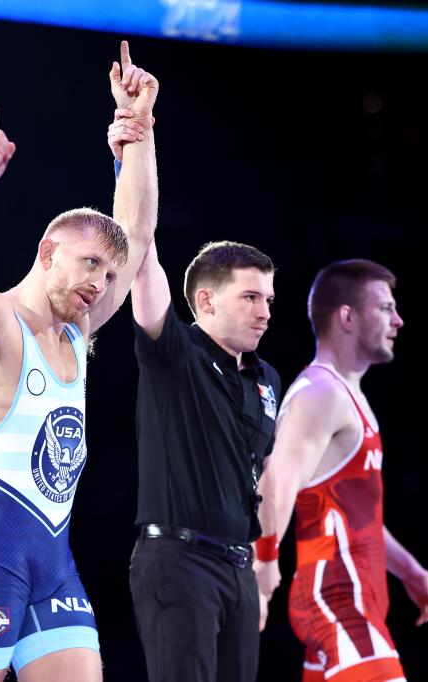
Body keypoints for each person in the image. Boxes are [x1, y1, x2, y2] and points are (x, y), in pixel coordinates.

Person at [0, 42, 158, 681]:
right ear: (48, 252)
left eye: (107, 276)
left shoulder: (77, 332)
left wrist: (139, 132)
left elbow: (134, 241)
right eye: (89, 266)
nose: (102, 284)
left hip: (52, 558)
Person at [107, 115, 281, 682]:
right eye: (251, 296)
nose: (265, 311)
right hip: (178, 561)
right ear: (205, 302)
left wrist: (265, 562)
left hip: (239, 567)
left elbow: (264, 477)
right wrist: (134, 147)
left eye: (270, 299)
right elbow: (138, 246)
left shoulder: (268, 380)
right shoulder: (173, 352)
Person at [254, 259, 428, 682]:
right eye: (385, 308)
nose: (398, 320)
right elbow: (275, 482)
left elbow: (353, 513)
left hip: (351, 599)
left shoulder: (343, 393)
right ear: (347, 316)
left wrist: (409, 569)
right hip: (339, 601)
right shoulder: (321, 393)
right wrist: (264, 566)